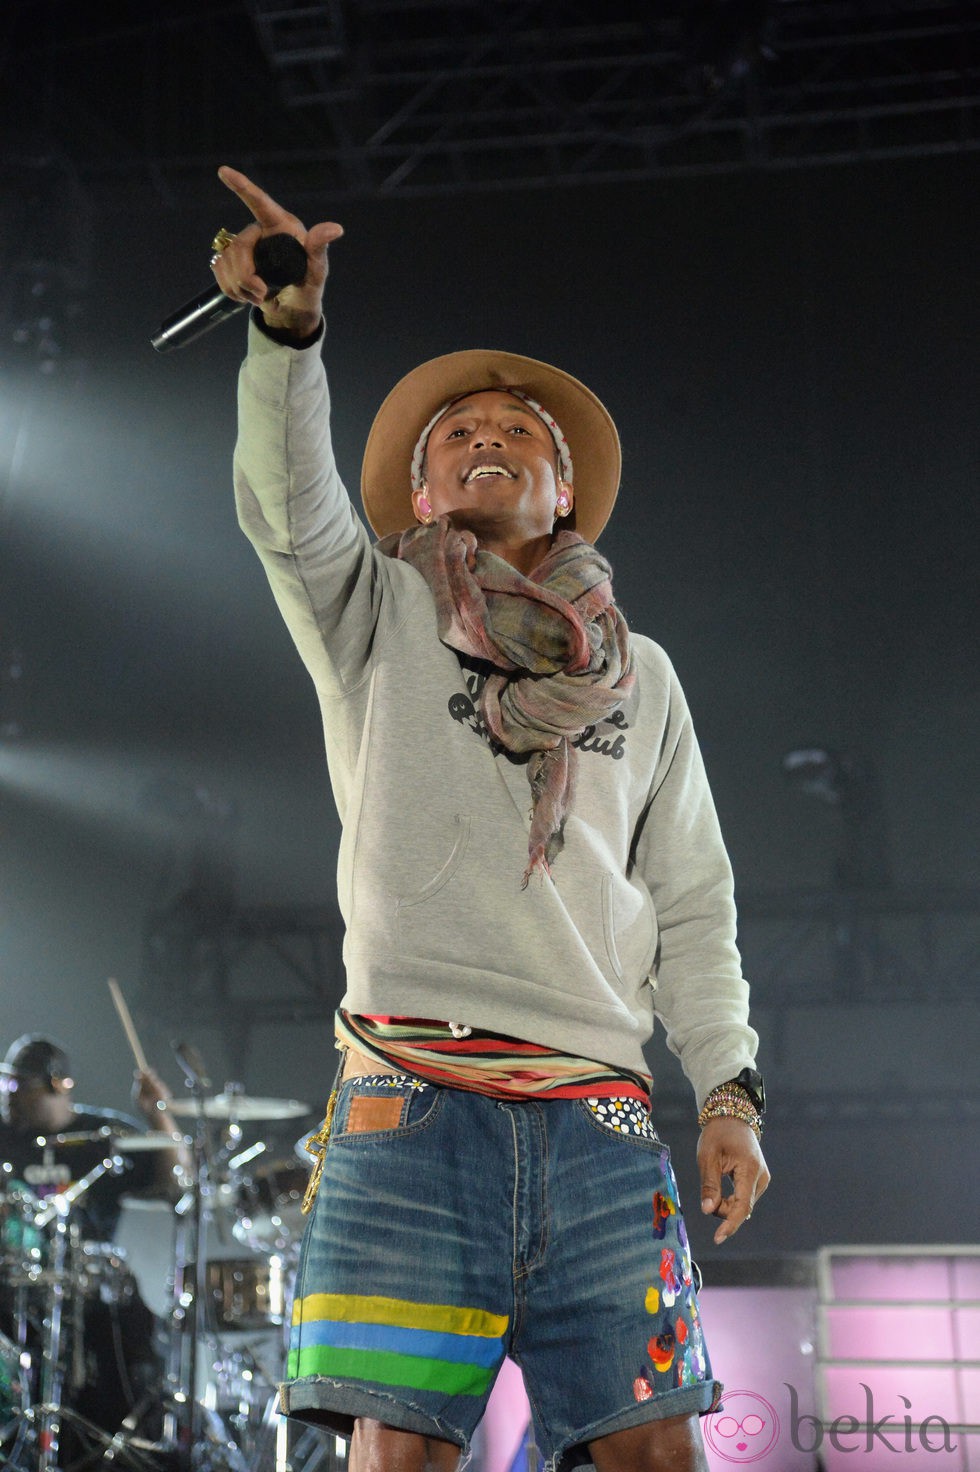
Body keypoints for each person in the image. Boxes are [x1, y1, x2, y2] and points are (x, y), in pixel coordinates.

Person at [211, 165, 771, 1472]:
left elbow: (690, 900)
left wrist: (731, 1093)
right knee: (398, 1460)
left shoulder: (647, 675)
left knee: (660, 1460)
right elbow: (286, 510)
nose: (484, 438)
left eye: (519, 432)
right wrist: (286, 334)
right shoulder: (373, 614)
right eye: (453, 435)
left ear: (563, 492)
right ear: (417, 497)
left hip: (602, 1119)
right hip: (412, 1102)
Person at [0, 1034, 184, 1456]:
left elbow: (175, 1183)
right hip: (12, 1278)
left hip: (87, 1283)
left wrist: (160, 1116)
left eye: (18, 1086)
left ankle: (119, 1443)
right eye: (4, 1085)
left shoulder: (102, 1135)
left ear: (56, 1084)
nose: (7, 1097)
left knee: (131, 1325)